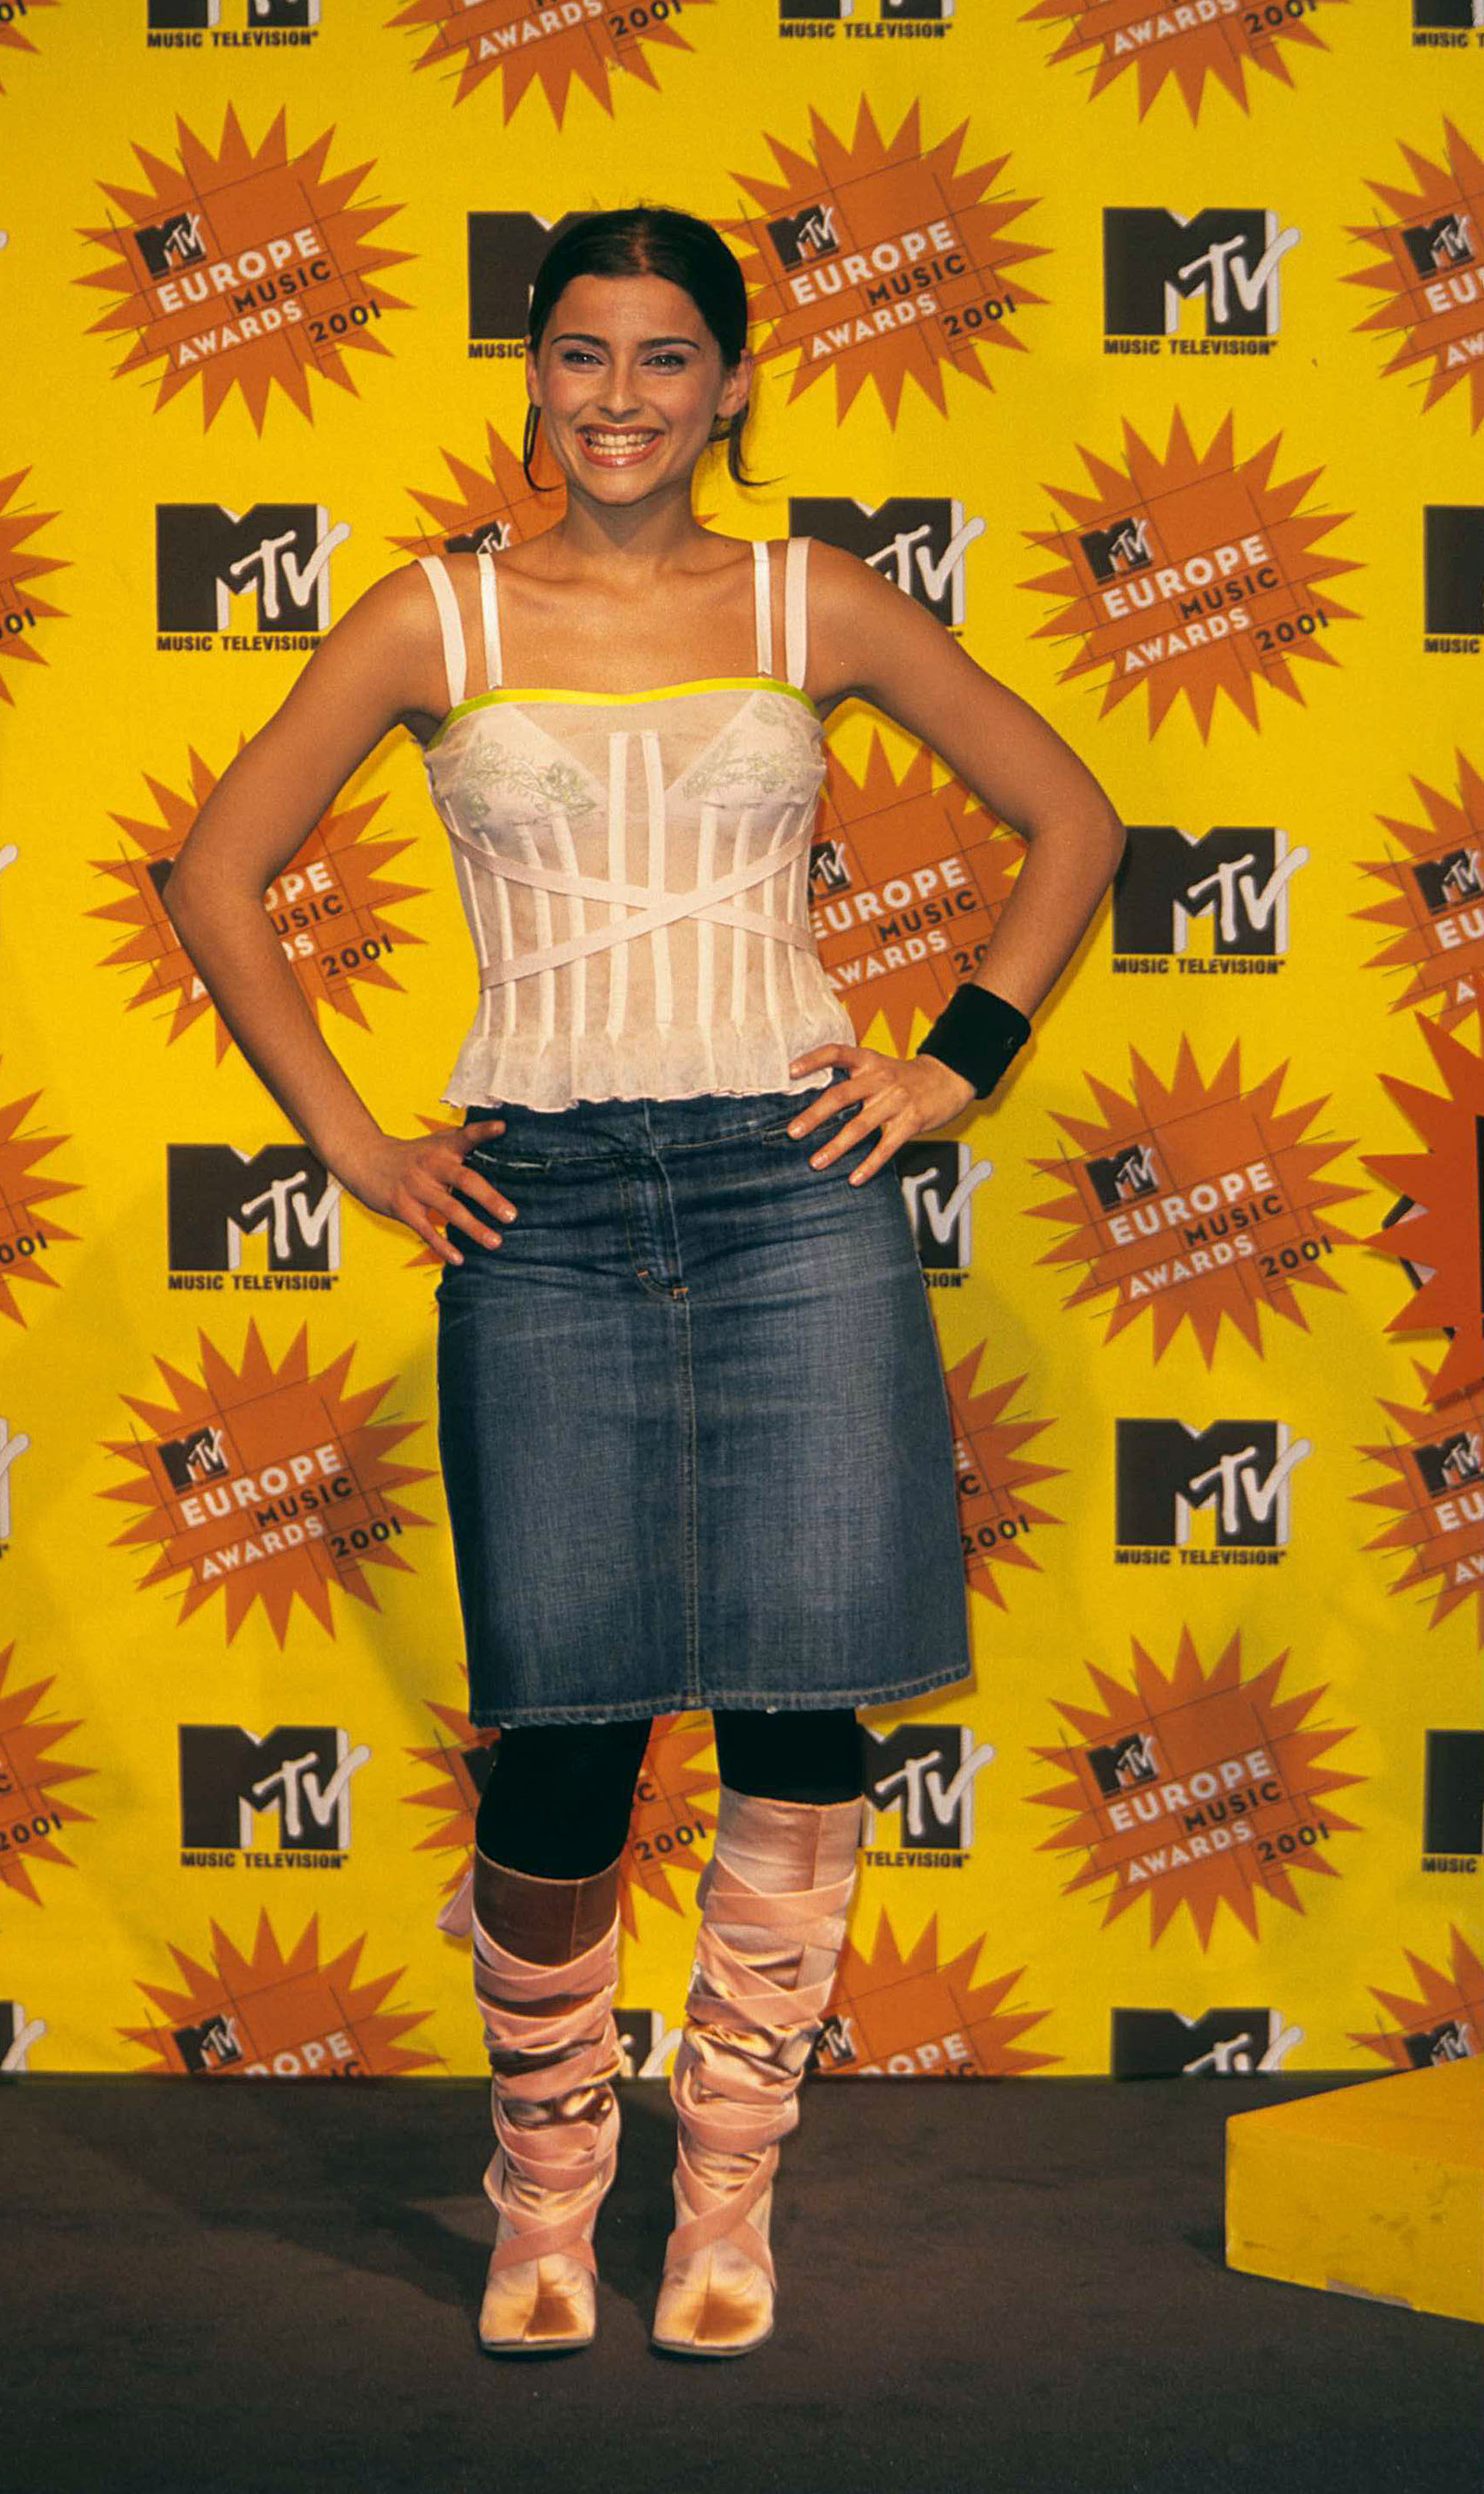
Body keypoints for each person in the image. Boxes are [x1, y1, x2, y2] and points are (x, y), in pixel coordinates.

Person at [161, 205, 1124, 2362]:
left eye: (665, 355)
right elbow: (216, 873)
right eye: (582, 353)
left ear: (733, 385)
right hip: (543, 1208)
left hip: (794, 1197)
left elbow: (1072, 820)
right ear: (533, 378)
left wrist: (953, 1063)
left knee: (795, 1712)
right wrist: (354, 1141)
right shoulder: (432, 619)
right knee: (568, 1731)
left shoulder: (809, 599)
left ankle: (726, 2198)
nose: (620, 396)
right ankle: (543, 2188)